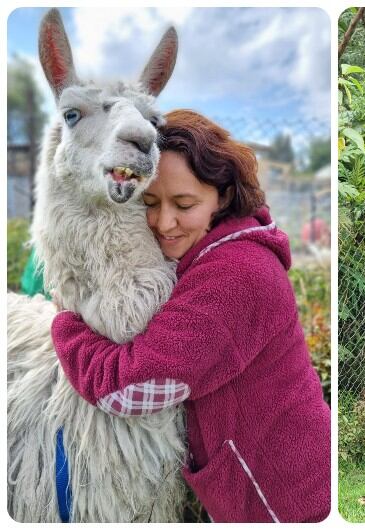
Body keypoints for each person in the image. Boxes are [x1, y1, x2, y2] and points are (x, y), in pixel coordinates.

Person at [50, 110, 331, 523]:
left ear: (224, 196)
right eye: (150, 203)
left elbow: (130, 388)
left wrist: (65, 326)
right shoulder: (219, 252)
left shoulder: (234, 275)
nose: (164, 222)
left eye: (184, 204)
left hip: (286, 501)